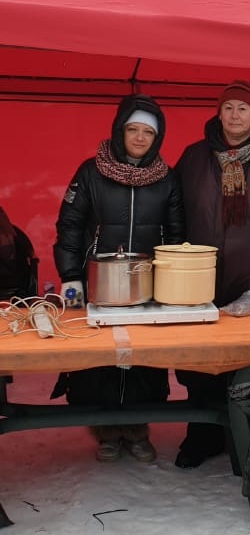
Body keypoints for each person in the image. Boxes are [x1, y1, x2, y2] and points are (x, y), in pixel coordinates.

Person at [54, 95, 184, 462]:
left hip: (148, 286)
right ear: (119, 130)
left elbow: (176, 235)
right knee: (100, 358)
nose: (140, 138)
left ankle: (139, 428)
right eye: (133, 129)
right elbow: (69, 227)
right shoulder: (90, 172)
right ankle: (105, 431)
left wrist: (171, 282)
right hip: (96, 285)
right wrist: (70, 277)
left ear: (157, 138)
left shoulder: (166, 178)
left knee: (142, 358)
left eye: (148, 132)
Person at [174, 82, 250, 468]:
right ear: (218, 113)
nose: (235, 115)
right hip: (198, 277)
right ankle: (201, 437)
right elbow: (176, 213)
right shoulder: (194, 157)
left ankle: (245, 441)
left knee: (247, 364)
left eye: (242, 109)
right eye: (228, 108)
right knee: (199, 362)